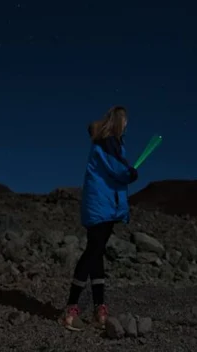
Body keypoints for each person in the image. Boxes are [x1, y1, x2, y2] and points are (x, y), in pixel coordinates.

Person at [60, 105, 139, 331]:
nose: (126, 126)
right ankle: (71, 309)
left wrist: (127, 171)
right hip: (102, 206)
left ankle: (99, 307)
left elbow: (115, 170)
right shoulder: (107, 143)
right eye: (124, 121)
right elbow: (118, 170)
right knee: (93, 252)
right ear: (118, 122)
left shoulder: (110, 144)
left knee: (97, 253)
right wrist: (131, 173)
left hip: (104, 206)